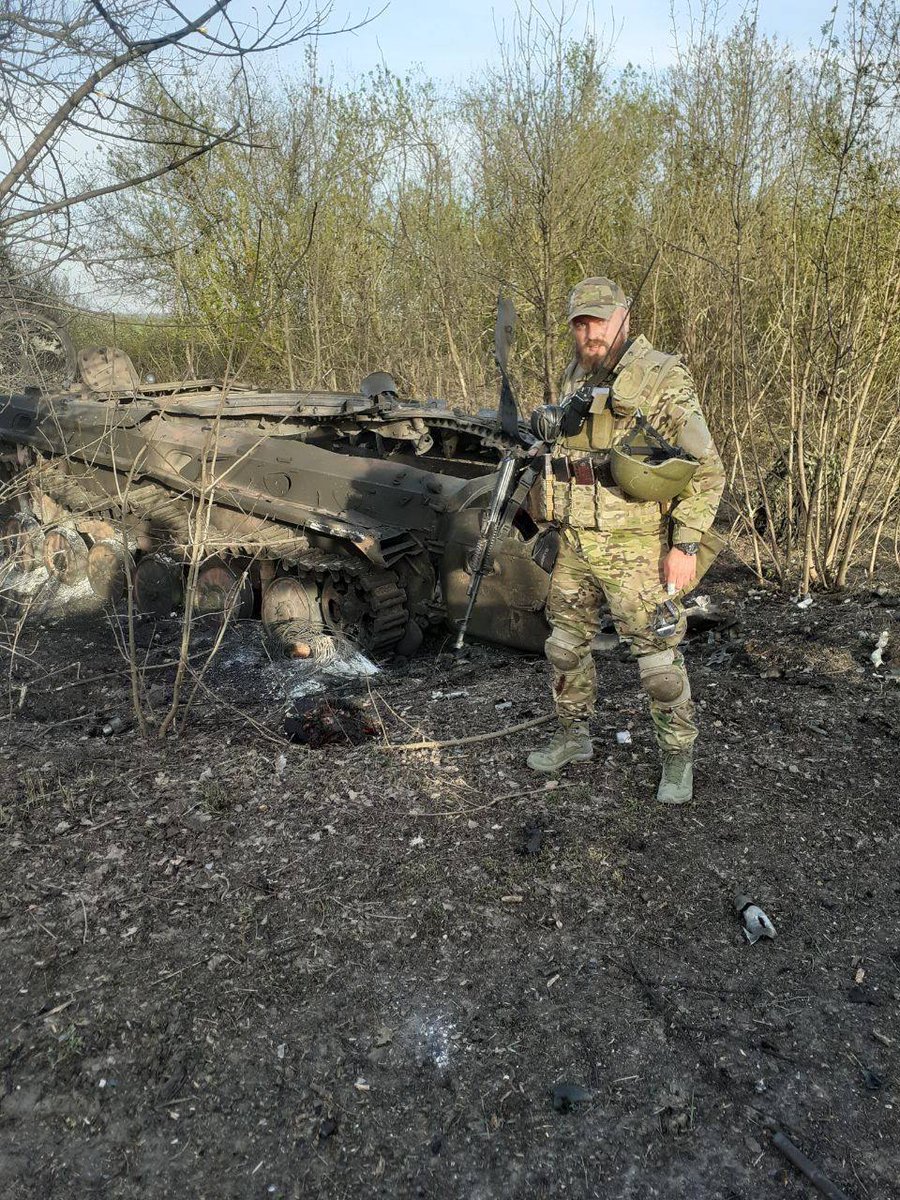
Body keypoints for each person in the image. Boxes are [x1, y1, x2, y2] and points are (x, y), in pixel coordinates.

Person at [526, 276, 725, 803]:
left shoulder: (660, 376)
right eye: (579, 323)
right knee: (564, 648)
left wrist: (684, 546)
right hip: (575, 540)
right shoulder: (578, 374)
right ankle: (574, 737)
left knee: (658, 662)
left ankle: (677, 758)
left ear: (624, 317)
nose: (588, 332)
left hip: (637, 545)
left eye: (597, 320)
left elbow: (706, 468)